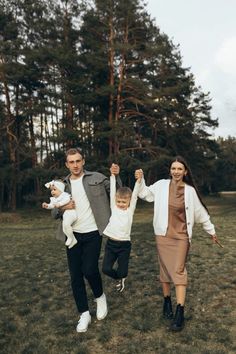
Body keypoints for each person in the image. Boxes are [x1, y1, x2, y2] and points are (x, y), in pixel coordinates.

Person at [135, 156, 220, 331]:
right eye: (173, 168)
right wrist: (140, 179)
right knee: (165, 270)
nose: (176, 171)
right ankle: (167, 302)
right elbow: (144, 194)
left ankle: (179, 311)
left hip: (181, 237)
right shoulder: (160, 186)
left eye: (179, 169)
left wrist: (211, 230)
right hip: (163, 235)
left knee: (179, 270)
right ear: (170, 171)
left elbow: (200, 213)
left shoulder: (189, 191)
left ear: (185, 172)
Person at [52, 147, 121, 333]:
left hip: (93, 232)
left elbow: (117, 192)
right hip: (72, 235)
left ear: (83, 161)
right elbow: (53, 212)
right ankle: (84, 314)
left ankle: (100, 297)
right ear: (67, 164)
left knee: (89, 269)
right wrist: (63, 207)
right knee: (75, 275)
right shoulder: (61, 184)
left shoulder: (97, 178)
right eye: (71, 162)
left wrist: (116, 176)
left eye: (78, 161)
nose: (75, 165)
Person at [102, 173, 141, 292]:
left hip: (124, 246)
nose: (121, 204)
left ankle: (122, 277)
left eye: (124, 202)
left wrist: (139, 181)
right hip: (111, 245)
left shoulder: (130, 211)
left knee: (123, 271)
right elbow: (112, 190)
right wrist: (113, 176)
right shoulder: (114, 207)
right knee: (106, 269)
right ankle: (119, 278)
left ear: (129, 202)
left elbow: (134, 195)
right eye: (119, 201)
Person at [42, 179, 77, 249]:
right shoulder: (54, 199)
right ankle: (73, 239)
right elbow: (52, 206)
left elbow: (67, 200)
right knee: (64, 228)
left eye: (54, 189)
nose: (52, 192)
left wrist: (60, 204)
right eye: (51, 190)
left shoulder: (65, 195)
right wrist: (47, 206)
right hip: (66, 215)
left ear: (60, 190)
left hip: (71, 213)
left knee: (66, 225)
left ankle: (71, 238)